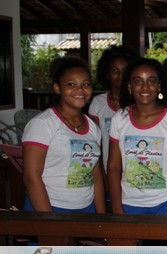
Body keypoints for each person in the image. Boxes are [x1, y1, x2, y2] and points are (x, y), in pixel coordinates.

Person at [22, 56, 105, 213]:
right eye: (71, 84)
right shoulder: (43, 124)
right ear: (57, 88)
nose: (80, 90)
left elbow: (96, 174)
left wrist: (102, 219)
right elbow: (31, 178)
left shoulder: (93, 128)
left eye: (85, 84)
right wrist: (51, 223)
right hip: (51, 207)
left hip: (86, 208)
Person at [107, 58, 167, 215]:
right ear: (129, 86)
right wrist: (117, 207)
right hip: (128, 202)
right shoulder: (120, 118)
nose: (145, 87)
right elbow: (113, 166)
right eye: (138, 81)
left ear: (159, 85)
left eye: (151, 81)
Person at [89, 45, 137, 172]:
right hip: (107, 170)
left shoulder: (139, 102)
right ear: (107, 74)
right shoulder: (98, 103)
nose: (120, 75)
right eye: (115, 71)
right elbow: (94, 142)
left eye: (124, 71)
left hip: (134, 171)